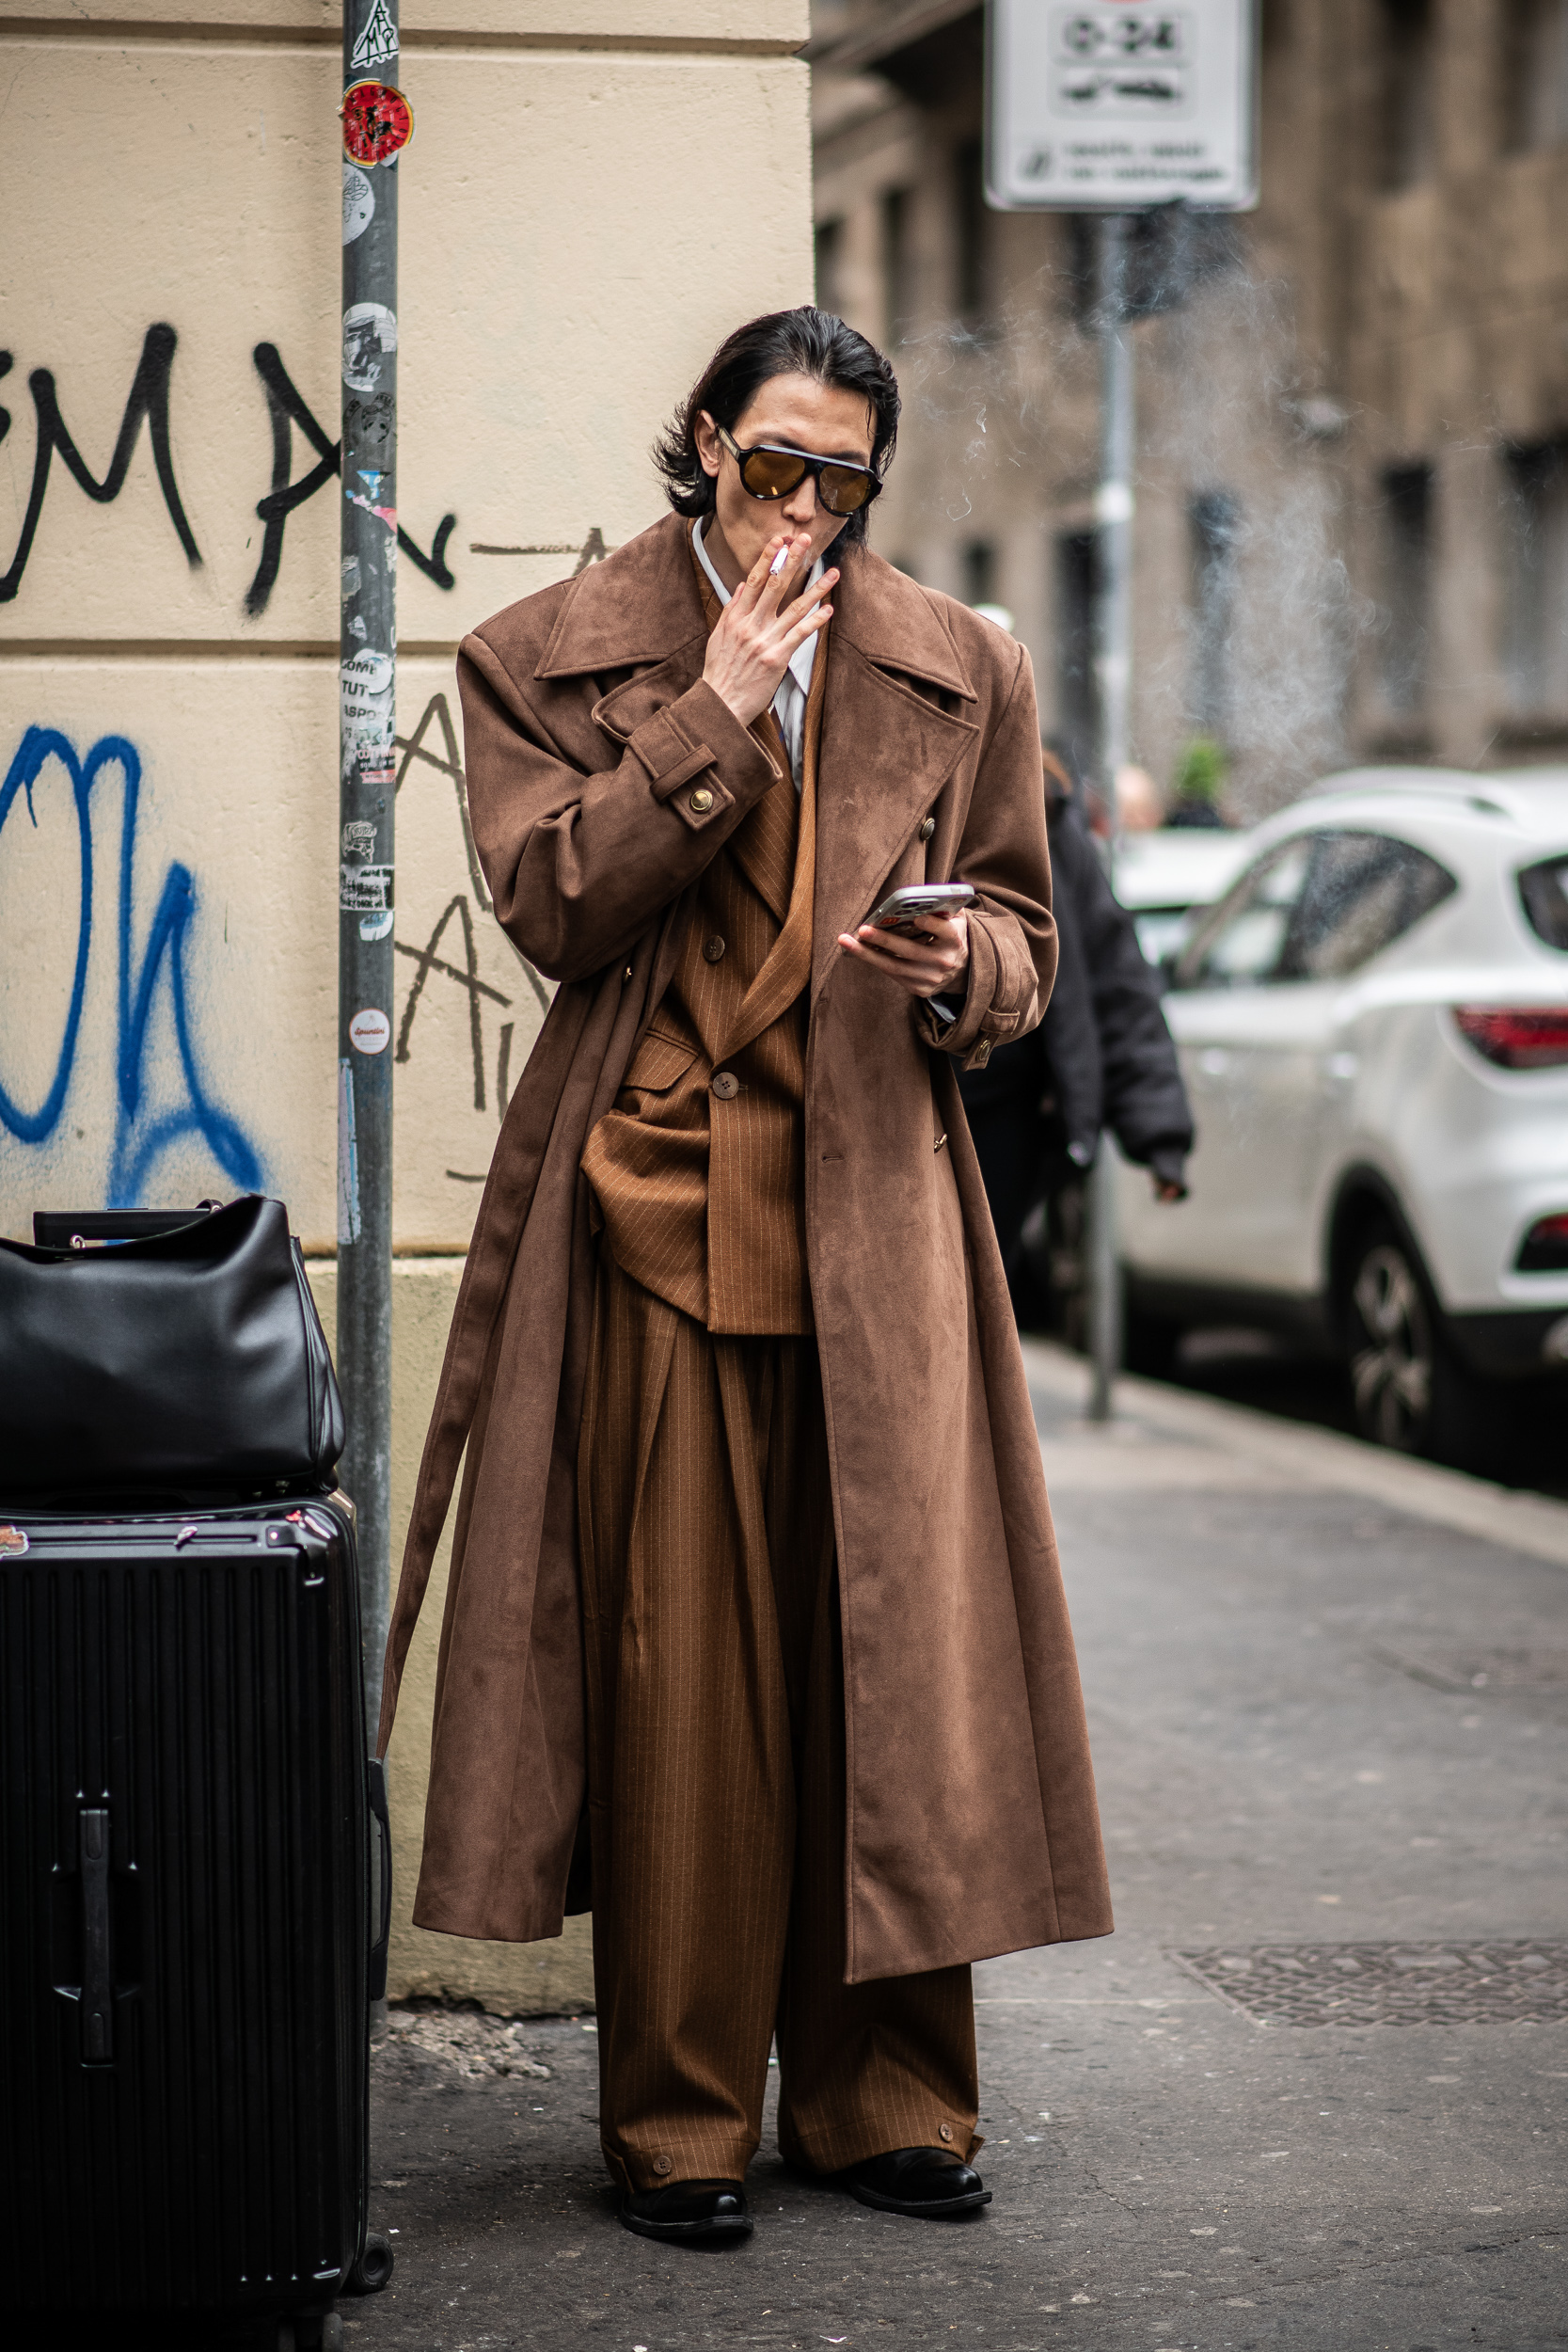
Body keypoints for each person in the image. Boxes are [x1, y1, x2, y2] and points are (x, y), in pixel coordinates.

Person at [376, 308, 1112, 2248]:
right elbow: (550, 903)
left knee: (891, 1678)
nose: (802, 510)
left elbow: (1027, 937)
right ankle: (682, 2117)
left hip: (882, 1233)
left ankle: (884, 2099)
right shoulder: (543, 654)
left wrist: (966, 969)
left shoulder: (961, 662)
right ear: (701, 443)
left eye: (841, 482)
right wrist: (711, 709)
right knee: (684, 1695)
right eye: (773, 464)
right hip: (657, 1225)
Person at [958, 746, 1194, 1322]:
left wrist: (1158, 1131)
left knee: (974, 1297)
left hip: (1011, 1118)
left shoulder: (1041, 803)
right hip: (909, 1102)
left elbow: (1116, 975)